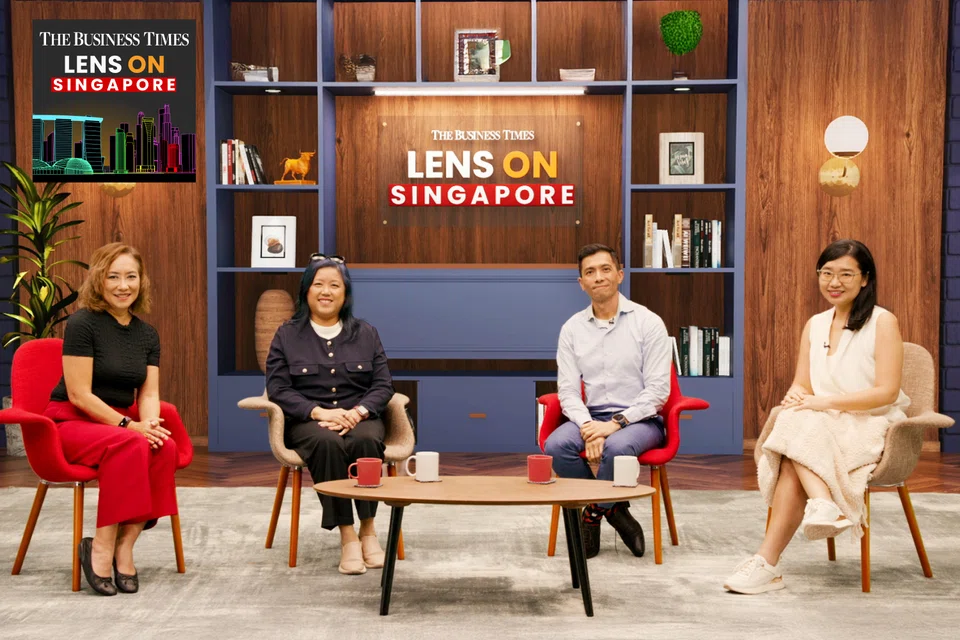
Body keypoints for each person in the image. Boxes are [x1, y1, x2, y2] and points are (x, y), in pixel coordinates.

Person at [724, 239, 910, 594]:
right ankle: (819, 507)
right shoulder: (815, 324)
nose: (834, 282)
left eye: (845, 274)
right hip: (821, 421)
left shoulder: (884, 322)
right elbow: (802, 384)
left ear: (865, 279)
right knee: (795, 423)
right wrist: (797, 394)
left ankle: (768, 563)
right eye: (826, 273)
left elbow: (886, 392)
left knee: (795, 440)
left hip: (869, 421)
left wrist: (819, 404)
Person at [44, 243, 178, 596]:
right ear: (99, 281)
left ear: (141, 281)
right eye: (113, 276)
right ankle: (101, 544)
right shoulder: (83, 323)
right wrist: (129, 427)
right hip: (71, 421)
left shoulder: (147, 334)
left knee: (164, 446)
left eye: (130, 276)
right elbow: (79, 395)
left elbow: (148, 395)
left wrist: (148, 425)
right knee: (131, 442)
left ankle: (125, 546)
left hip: (120, 425)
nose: (123, 285)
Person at [266, 253, 394, 575]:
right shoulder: (287, 335)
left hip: (360, 418)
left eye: (334, 285)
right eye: (318, 284)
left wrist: (359, 412)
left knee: (366, 442)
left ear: (345, 293)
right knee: (327, 443)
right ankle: (347, 536)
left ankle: (368, 530)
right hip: (310, 422)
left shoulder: (366, 333)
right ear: (306, 291)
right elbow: (278, 388)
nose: (326, 292)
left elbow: (383, 384)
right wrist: (317, 410)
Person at [544, 243, 672, 558]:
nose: (598, 277)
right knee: (556, 445)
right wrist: (588, 424)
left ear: (619, 275)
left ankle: (591, 516)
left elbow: (657, 391)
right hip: (591, 415)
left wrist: (613, 426)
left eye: (605, 269)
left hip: (641, 420)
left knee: (617, 447)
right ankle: (615, 510)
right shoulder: (572, 329)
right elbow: (568, 390)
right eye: (590, 272)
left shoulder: (648, 322)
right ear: (581, 283)